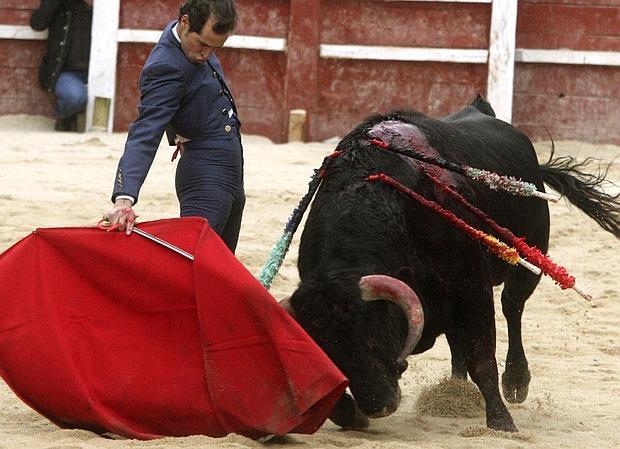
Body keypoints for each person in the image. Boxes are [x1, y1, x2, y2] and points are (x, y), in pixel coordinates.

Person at [105, 0, 244, 253]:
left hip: (230, 172)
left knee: (219, 269)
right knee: (192, 264)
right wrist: (124, 197)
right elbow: (145, 133)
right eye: (202, 44)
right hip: (205, 177)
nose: (206, 55)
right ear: (185, 23)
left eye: (215, 48)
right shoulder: (165, 65)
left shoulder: (189, 38)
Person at [30, 0, 92, 132]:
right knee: (74, 97)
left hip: (101, 72)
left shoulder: (104, 8)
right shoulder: (62, 4)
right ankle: (65, 117)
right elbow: (37, 24)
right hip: (70, 73)